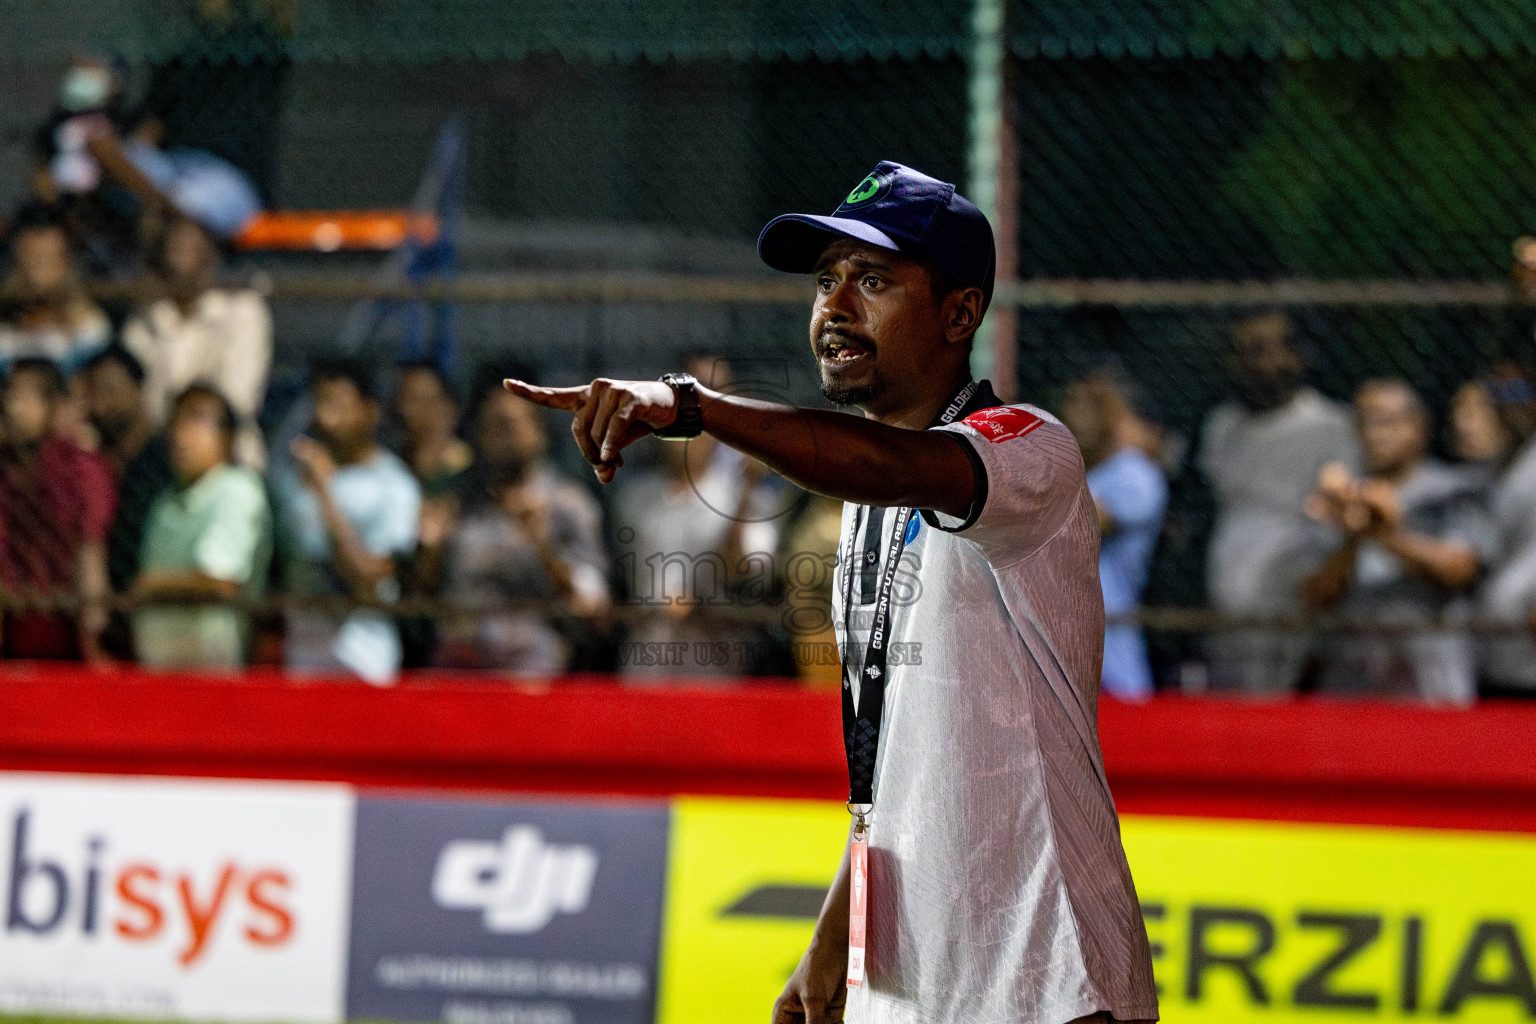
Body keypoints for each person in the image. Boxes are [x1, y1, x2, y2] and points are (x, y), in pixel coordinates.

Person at [509, 162, 1157, 1024]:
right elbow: (891, 756)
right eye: (826, 280)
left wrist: (687, 405)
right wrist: (833, 936)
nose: (835, 306)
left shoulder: (1029, 450)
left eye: (875, 280)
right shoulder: (863, 508)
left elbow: (893, 464)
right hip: (915, 981)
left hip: (1047, 976)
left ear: (961, 312)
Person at [1300, 381, 1495, 704]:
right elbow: (1316, 594)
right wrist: (1353, 535)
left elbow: (1459, 568)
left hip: (1431, 686)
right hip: (1352, 685)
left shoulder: (1453, 490)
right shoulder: (1340, 496)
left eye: (1387, 421)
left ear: (1419, 427)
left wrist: (1385, 534)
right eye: (1365, 422)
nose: (1374, 433)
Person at [1198, 311, 1358, 694]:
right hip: (1225, 591)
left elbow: (1339, 519)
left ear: (1297, 356)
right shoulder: (1221, 425)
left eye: (1265, 350)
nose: (1255, 364)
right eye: (1245, 352)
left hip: (1291, 596)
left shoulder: (1330, 426)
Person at [611, 356, 783, 679]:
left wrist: (746, 492)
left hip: (716, 675)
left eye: (712, 395)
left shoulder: (749, 495)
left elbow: (743, 569)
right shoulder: (633, 499)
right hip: (644, 672)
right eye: (685, 396)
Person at [418, 385, 609, 674]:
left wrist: (544, 547)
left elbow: (592, 605)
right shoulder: (457, 501)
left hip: (534, 667)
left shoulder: (567, 504)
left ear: (538, 431)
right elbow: (421, 599)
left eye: (511, 425)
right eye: (493, 427)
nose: (503, 437)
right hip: (461, 666)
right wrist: (430, 551)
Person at [271, 361, 420, 685]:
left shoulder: (393, 485)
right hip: (300, 666)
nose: (326, 416)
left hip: (363, 665)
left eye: (338, 404)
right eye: (320, 403)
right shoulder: (293, 480)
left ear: (369, 411)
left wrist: (325, 495)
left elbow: (367, 576)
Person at [131, 385, 272, 669]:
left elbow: (219, 582)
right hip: (158, 671)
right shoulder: (164, 502)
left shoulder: (237, 489)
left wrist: (151, 584)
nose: (180, 435)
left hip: (213, 672)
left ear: (226, 437)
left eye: (195, 420)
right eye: (177, 422)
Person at [122, 215, 272, 468]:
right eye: (175, 248)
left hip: (232, 460)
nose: (180, 261)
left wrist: (186, 420)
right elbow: (144, 403)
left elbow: (237, 397)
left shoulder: (243, 310)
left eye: (191, 249)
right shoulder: (143, 321)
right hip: (163, 460)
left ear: (210, 255)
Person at [1060, 371, 1168, 700]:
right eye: (1071, 404)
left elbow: (1079, 522)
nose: (1074, 416)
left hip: (1108, 634)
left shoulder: (1136, 472)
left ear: (1117, 414)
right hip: (1060, 628)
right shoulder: (1084, 471)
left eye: (1091, 405)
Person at [0, 358, 115, 662]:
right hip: (9, 624)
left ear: (54, 405)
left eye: (26, 396)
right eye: (10, 394)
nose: (13, 407)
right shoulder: (6, 468)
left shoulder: (80, 469)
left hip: (65, 627)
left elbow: (90, 550)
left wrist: (91, 635)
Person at [79, 345, 176, 594]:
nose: (101, 405)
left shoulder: (168, 461)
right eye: (92, 394)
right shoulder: (93, 465)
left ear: (139, 389)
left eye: (111, 391)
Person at [0, 206, 111, 374]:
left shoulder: (91, 331)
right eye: (31, 258)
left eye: (47, 260)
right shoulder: (5, 330)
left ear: (66, 262)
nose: (36, 273)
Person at [393, 360, 473, 497]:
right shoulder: (391, 467)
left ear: (448, 407)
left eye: (415, 400)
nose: (404, 410)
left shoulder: (470, 472)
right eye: (401, 399)